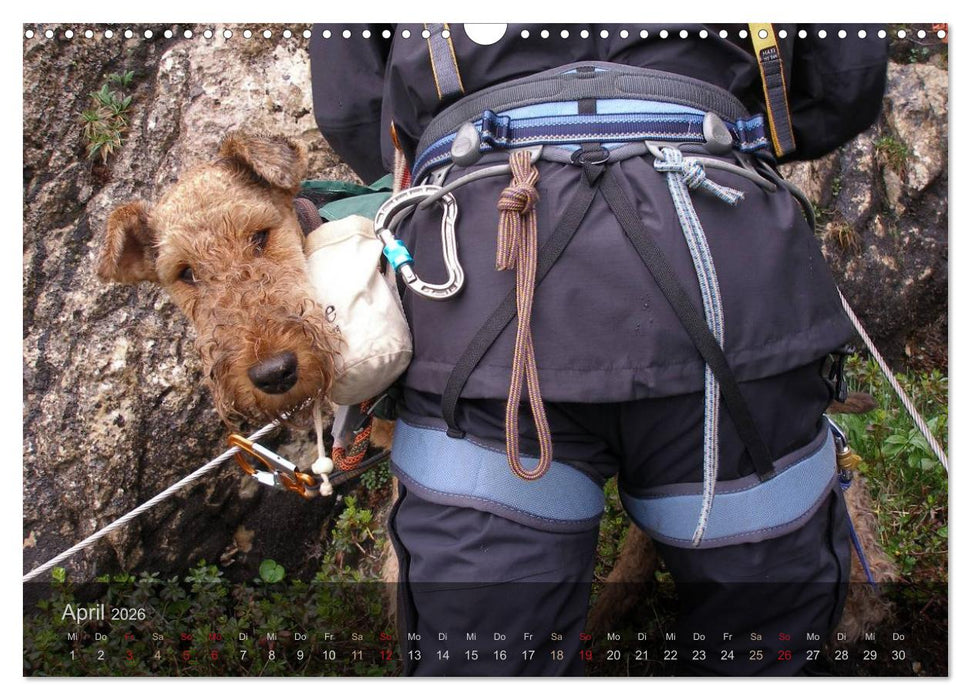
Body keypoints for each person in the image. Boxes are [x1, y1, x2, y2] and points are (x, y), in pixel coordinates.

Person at [310, 23, 888, 676]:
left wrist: (462, 155)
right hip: (729, 276)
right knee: (763, 638)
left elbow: (353, 108)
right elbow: (842, 80)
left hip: (476, 300)